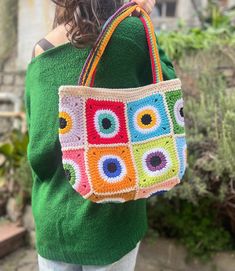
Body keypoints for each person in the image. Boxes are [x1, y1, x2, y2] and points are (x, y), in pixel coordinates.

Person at [24, 0, 176, 270]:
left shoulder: (41, 49)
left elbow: (38, 148)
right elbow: (165, 92)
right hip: (111, 222)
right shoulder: (132, 32)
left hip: (53, 218)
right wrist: (143, 17)